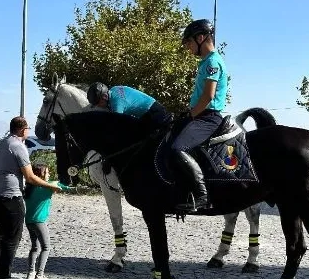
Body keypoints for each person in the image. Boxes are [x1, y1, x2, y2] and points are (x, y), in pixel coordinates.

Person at [0, 116, 62, 279]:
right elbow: (30, 176)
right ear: (22, 130)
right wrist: (50, 186)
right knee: (12, 237)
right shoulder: (18, 147)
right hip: (10, 196)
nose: (28, 131)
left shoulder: (1, 144)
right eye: (27, 128)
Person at [172, 18, 228, 211]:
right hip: (201, 115)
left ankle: (201, 195)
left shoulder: (212, 62)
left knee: (179, 148)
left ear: (201, 38)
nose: (188, 48)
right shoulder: (205, 63)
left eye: (188, 42)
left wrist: (191, 115)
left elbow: (208, 96)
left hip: (208, 117)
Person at [24, 163, 70, 279]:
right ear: (42, 174)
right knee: (46, 247)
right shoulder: (48, 187)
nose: (49, 175)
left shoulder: (29, 188)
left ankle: (30, 273)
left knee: (35, 247)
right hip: (39, 221)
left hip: (28, 220)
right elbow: (63, 187)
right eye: (47, 172)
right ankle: (40, 276)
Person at [86, 83, 172, 131]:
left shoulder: (117, 104)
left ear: (104, 97)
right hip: (153, 110)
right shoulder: (114, 89)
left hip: (154, 115)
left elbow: (116, 126)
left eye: (98, 103)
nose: (98, 106)